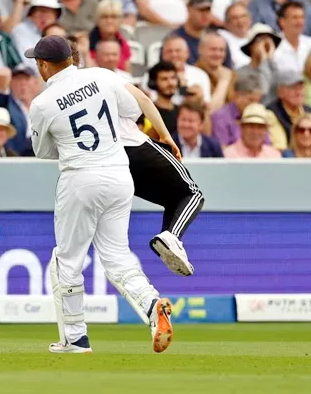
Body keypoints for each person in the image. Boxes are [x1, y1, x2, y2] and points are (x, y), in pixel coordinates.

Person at [25, 35, 174, 354]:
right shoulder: (103, 75)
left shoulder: (42, 103)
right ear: (72, 58)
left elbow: (42, 150)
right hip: (120, 175)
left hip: (80, 178)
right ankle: (151, 306)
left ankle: (75, 338)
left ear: (43, 64)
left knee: (66, 260)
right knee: (118, 257)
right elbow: (136, 109)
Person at [72, 42, 202, 277]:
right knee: (191, 194)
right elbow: (141, 102)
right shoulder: (100, 76)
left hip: (102, 162)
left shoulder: (51, 99)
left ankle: (169, 239)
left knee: (172, 202)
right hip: (133, 146)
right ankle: (171, 237)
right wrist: (165, 135)